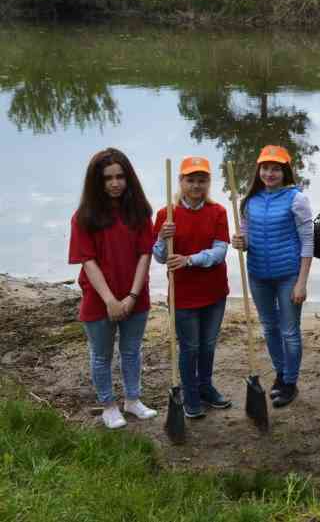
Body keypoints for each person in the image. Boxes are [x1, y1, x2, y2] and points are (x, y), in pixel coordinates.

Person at [68, 148, 158, 430]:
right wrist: (110, 300)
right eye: (108, 178)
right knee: (102, 354)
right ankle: (108, 405)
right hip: (99, 299)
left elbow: (146, 254)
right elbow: (87, 260)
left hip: (135, 296)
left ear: (129, 178)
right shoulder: (83, 217)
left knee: (131, 351)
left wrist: (131, 295)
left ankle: (133, 400)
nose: (115, 183)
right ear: (97, 181)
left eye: (120, 176)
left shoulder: (140, 213)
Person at [230, 145, 313, 409]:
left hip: (288, 275)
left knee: (289, 331)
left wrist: (302, 281)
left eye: (275, 168)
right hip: (258, 276)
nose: (269, 173)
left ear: (285, 171)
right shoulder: (249, 200)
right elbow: (246, 236)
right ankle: (280, 372)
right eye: (265, 168)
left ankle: (290, 382)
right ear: (258, 170)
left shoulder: (296, 199)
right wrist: (239, 242)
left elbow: (307, 240)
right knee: (269, 327)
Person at [153, 156, 232, 419]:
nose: (196, 185)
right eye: (191, 180)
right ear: (181, 182)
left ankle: (205, 386)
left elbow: (220, 252)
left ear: (208, 182)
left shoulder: (218, 211)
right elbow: (160, 256)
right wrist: (164, 238)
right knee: (190, 347)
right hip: (183, 294)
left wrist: (189, 260)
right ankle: (190, 393)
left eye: (202, 180)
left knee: (208, 345)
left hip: (214, 292)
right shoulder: (166, 215)